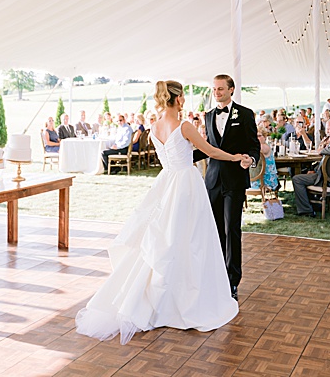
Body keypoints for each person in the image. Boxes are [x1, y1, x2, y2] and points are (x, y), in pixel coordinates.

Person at [75, 81, 242, 344]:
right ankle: (186, 299)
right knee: (192, 240)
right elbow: (208, 151)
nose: (185, 99)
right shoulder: (185, 125)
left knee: (166, 241)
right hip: (186, 186)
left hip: (166, 183)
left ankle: (161, 297)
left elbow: (180, 152)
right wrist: (235, 157)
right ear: (177, 99)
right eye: (183, 96)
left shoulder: (154, 127)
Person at [197, 75, 261, 301]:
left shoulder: (245, 114)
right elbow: (208, 149)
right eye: (214, 89)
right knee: (214, 230)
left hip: (234, 180)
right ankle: (215, 276)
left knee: (231, 229)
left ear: (231, 90)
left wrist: (250, 160)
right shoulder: (208, 116)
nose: (216, 92)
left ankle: (232, 281)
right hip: (212, 180)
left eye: (221, 89)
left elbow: (254, 146)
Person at [293, 120, 330, 217]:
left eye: (328, 129)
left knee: (297, 179)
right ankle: (314, 205)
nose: (327, 131)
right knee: (306, 173)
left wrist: (321, 150)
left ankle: (306, 210)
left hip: (328, 177)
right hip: (325, 173)